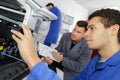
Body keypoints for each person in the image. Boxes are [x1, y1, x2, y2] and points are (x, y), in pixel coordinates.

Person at [11, 8, 120, 80]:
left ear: (114, 29)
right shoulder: (96, 61)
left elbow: (77, 67)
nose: (86, 34)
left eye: (92, 28)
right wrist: (51, 58)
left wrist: (31, 57)